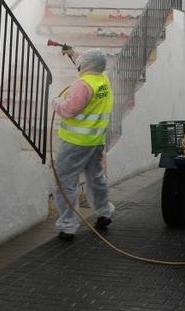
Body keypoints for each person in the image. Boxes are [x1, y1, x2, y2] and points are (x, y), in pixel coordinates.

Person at [51, 49, 115, 241]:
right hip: (95, 141)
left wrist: (56, 103)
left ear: (86, 66)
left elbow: (69, 109)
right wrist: (72, 53)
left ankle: (68, 226)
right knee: (96, 177)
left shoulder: (82, 85)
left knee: (64, 182)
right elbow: (88, 62)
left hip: (75, 143)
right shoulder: (103, 80)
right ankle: (104, 212)